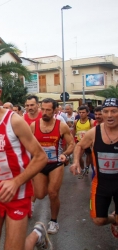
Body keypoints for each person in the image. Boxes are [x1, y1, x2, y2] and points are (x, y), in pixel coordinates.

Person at [0, 69, 51, 250]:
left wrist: (15, 182)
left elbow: (40, 157)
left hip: (18, 194)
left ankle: (37, 234)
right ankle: (36, 234)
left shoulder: (14, 121)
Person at [70, 98, 118, 239]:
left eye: (114, 111)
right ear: (101, 114)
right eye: (106, 112)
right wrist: (76, 162)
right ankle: (113, 219)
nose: (109, 115)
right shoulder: (94, 132)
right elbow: (79, 145)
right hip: (101, 183)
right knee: (98, 220)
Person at [30, 98, 75, 234]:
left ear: (54, 110)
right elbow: (26, 144)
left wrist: (66, 154)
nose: (44, 112)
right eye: (42, 109)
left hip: (55, 163)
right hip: (39, 165)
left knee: (53, 193)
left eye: (48, 110)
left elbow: (72, 144)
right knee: (40, 194)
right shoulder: (33, 125)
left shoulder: (61, 126)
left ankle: (53, 221)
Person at [74, 105, 96, 177]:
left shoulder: (91, 122)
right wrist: (74, 140)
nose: (81, 114)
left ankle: (87, 167)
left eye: (83, 112)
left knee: (89, 156)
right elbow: (74, 131)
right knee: (79, 156)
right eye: (80, 112)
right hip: (79, 142)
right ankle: (83, 168)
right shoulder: (76, 121)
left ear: (87, 113)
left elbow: (93, 132)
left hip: (88, 142)